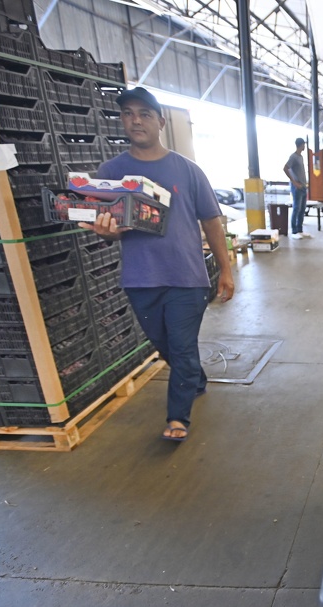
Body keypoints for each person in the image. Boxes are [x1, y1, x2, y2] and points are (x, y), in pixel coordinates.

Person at [78, 86, 234, 443]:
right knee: (165, 346)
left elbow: (212, 221)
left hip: (187, 277)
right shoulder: (111, 173)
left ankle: (178, 418)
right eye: (128, 113)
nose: (136, 120)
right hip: (140, 278)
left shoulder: (187, 170)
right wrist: (106, 232)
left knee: (181, 346)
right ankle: (194, 378)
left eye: (145, 114)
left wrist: (225, 270)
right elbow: (108, 229)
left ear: (160, 122)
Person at [283, 138, 310, 239]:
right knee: (296, 208)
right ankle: (294, 231)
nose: (304, 146)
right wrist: (294, 182)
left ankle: (300, 229)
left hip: (303, 186)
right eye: (303, 145)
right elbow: (285, 168)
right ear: (300, 145)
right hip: (297, 187)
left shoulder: (301, 157)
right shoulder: (293, 157)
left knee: (302, 209)